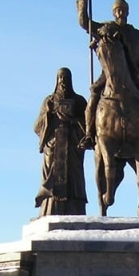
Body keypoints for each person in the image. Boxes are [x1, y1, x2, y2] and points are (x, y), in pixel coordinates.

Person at [77, 0, 139, 150]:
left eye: (123, 10)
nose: (121, 13)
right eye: (118, 10)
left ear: (128, 12)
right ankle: (89, 134)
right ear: (114, 12)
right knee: (94, 94)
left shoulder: (138, 35)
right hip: (109, 74)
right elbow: (84, 22)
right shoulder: (106, 29)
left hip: (135, 75)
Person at [34, 67, 88, 216]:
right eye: (60, 78)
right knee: (52, 177)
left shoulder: (79, 101)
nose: (63, 81)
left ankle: (74, 209)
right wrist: (49, 116)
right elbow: (37, 126)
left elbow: (89, 125)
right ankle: (50, 208)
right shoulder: (49, 101)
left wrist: (73, 120)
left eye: (66, 77)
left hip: (72, 145)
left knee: (73, 177)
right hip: (54, 144)